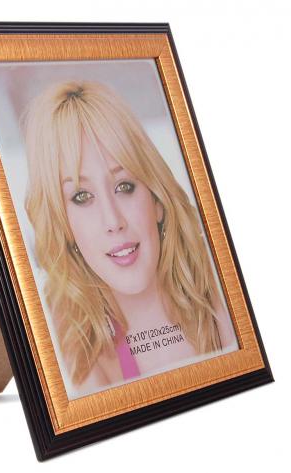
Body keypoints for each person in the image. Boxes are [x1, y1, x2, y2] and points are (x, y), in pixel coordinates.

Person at [22, 80, 237, 396]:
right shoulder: (68, 340)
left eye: (124, 187)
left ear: (157, 200)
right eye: (81, 196)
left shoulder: (224, 279)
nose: (113, 222)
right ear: (64, 225)